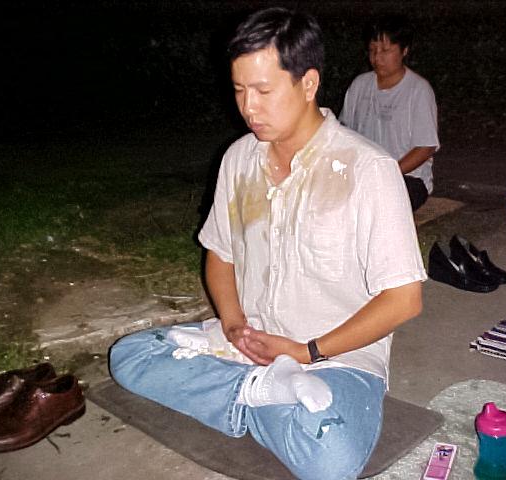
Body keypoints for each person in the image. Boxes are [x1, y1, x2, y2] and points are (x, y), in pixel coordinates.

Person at [109, 7, 425, 480]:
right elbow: (220, 254)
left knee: (330, 458)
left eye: (262, 90)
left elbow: (404, 300)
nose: (248, 108)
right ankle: (259, 391)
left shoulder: (368, 171)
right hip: (249, 345)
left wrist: (307, 354)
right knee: (128, 356)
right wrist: (234, 324)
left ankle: (246, 391)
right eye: (238, 91)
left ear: (308, 83)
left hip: (334, 359)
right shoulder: (239, 158)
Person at [339, 14, 439, 211]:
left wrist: (388, 173)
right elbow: (344, 131)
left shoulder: (418, 90)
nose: (377, 58)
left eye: (385, 50)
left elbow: (426, 147)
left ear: (404, 50)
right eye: (372, 50)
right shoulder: (360, 85)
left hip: (407, 177)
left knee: (378, 208)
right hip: (363, 173)